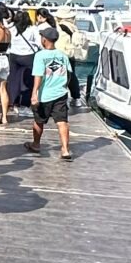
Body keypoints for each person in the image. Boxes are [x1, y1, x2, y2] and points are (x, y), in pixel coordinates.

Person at [28, 21, 75, 159]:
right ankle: (65, 150)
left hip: (45, 94)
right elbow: (69, 73)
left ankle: (36, 144)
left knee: (39, 121)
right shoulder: (62, 55)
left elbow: (38, 75)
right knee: (62, 122)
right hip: (60, 93)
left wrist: (34, 93)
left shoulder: (40, 56)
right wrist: (64, 86)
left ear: (44, 39)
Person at [6, 7, 38, 117]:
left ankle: (12, 103)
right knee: (28, 82)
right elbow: (38, 43)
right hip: (28, 57)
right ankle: (25, 105)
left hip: (14, 56)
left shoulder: (12, 29)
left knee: (13, 80)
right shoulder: (33, 29)